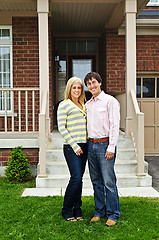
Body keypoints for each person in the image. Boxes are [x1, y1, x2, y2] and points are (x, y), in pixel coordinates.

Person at [84, 72, 120, 227]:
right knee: (96, 181)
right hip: (91, 145)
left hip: (105, 145)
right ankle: (99, 211)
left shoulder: (110, 101)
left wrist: (111, 147)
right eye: (89, 84)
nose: (92, 86)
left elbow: (114, 125)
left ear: (100, 83)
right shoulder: (88, 105)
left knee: (108, 182)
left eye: (94, 82)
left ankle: (113, 214)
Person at [57, 76, 87, 222]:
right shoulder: (64, 105)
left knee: (79, 179)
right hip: (71, 147)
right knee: (75, 178)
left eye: (79, 87)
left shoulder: (84, 105)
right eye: (74, 87)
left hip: (85, 146)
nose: (77, 90)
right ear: (69, 89)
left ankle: (78, 208)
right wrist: (74, 146)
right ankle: (67, 210)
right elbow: (62, 128)